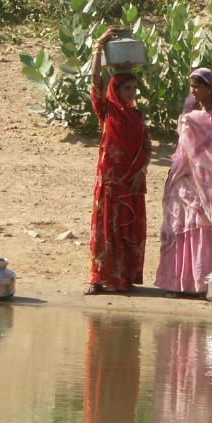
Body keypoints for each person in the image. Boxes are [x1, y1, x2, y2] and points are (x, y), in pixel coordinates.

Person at [154, 67, 212, 296]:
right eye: (191, 86)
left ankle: (201, 283)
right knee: (180, 226)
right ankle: (177, 283)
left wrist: (195, 125)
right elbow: (181, 143)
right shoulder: (190, 108)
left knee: (202, 226)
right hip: (184, 175)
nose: (193, 91)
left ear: (209, 88)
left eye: (198, 86)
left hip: (206, 178)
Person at [85, 32, 151, 295]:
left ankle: (123, 279)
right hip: (110, 183)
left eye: (134, 89)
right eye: (127, 88)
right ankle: (98, 279)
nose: (132, 93)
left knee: (126, 232)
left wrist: (141, 172)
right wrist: (99, 47)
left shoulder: (136, 115)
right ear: (116, 88)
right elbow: (95, 80)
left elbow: (147, 147)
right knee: (105, 232)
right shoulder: (106, 110)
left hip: (131, 183)